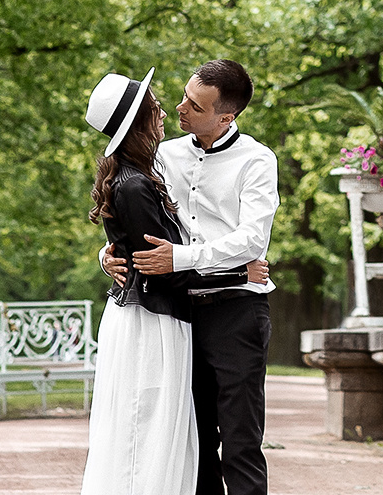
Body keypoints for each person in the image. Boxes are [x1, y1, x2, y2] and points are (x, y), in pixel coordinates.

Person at [105, 60, 279, 495]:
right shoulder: (163, 155)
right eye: (183, 96)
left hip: (236, 310)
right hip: (178, 316)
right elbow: (134, 216)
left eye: (195, 106)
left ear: (226, 116)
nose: (180, 108)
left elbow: (251, 240)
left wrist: (181, 258)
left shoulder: (257, 160)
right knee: (193, 442)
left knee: (240, 441)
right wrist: (108, 254)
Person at [82, 69, 198, 495]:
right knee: (142, 427)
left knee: (149, 426)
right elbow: (161, 265)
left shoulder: (137, 174)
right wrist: (239, 272)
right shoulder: (134, 185)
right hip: (150, 321)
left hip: (149, 315)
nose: (164, 111)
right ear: (138, 122)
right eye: (155, 107)